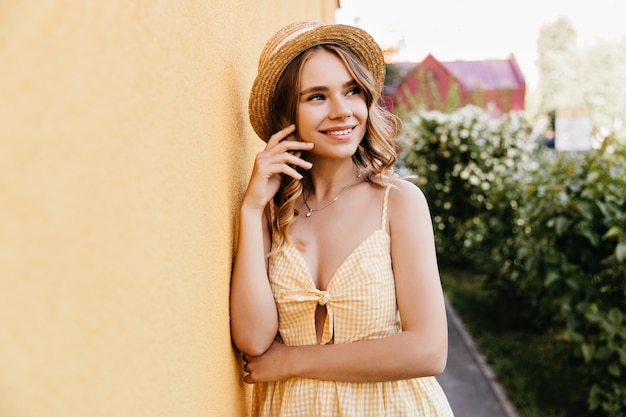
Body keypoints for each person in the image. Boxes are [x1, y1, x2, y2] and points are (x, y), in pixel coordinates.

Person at [230, 20, 454, 416]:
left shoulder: (399, 203)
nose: (342, 111)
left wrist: (293, 360)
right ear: (288, 115)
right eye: (317, 97)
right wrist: (251, 209)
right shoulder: (269, 212)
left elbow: (429, 350)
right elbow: (252, 339)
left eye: (351, 91)